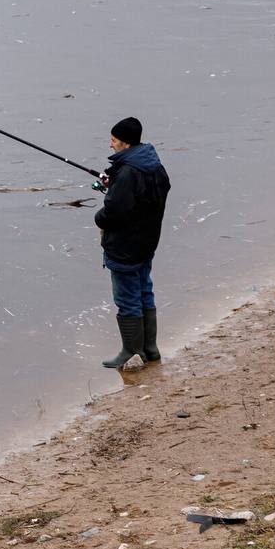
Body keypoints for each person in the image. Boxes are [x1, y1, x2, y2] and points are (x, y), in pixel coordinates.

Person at [93, 117, 171, 369]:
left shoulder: (128, 172)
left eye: (114, 140)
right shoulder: (152, 164)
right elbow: (147, 197)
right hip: (147, 241)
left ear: (125, 144)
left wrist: (98, 217)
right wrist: (113, 183)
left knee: (127, 297)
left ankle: (130, 349)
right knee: (144, 292)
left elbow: (115, 211)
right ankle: (150, 348)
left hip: (125, 246)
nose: (110, 144)